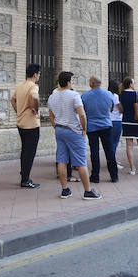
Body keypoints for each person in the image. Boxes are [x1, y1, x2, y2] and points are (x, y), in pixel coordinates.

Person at [48, 71, 101, 200]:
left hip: (60, 129)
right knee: (81, 161)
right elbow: (82, 115)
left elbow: (51, 114)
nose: (73, 83)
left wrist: (55, 125)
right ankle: (87, 191)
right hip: (73, 130)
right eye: (72, 80)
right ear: (68, 82)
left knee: (61, 160)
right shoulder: (74, 95)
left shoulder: (52, 96)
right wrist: (84, 129)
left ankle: (65, 189)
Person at [80, 76, 118, 184]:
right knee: (109, 151)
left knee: (94, 151)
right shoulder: (109, 94)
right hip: (106, 125)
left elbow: (83, 111)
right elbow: (111, 108)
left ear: (91, 83)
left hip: (91, 127)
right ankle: (114, 175)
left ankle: (95, 176)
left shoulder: (85, 96)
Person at [11, 63, 41, 189]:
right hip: (31, 124)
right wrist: (36, 108)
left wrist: (18, 111)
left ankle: (24, 173)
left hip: (21, 123)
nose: (39, 76)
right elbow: (34, 96)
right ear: (35, 74)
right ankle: (25, 179)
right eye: (39, 74)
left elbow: (12, 99)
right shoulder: (33, 86)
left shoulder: (20, 85)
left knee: (25, 151)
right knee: (30, 152)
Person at [107, 78, 123, 169]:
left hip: (109, 121)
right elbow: (120, 109)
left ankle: (111, 159)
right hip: (116, 121)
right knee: (114, 142)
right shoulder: (115, 96)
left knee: (110, 142)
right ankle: (112, 162)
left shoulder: (107, 95)